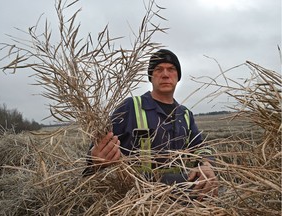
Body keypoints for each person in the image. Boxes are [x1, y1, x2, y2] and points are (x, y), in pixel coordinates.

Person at [85, 49, 218, 199]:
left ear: (178, 76)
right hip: (136, 198)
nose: (165, 74)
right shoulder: (130, 106)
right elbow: (98, 148)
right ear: (151, 76)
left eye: (171, 69)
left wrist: (206, 164)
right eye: (158, 69)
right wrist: (95, 158)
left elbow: (200, 147)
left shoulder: (185, 115)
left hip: (180, 198)